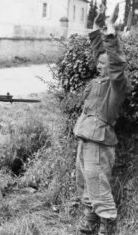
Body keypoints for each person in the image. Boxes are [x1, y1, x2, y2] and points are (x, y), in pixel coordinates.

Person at [74, 4, 128, 235]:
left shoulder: (116, 85)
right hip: (86, 136)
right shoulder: (100, 80)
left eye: (103, 64)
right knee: (86, 181)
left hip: (99, 139)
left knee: (98, 184)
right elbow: (101, 55)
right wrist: (95, 28)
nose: (99, 65)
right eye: (99, 63)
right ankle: (90, 222)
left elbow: (114, 62)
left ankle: (108, 226)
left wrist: (110, 31)